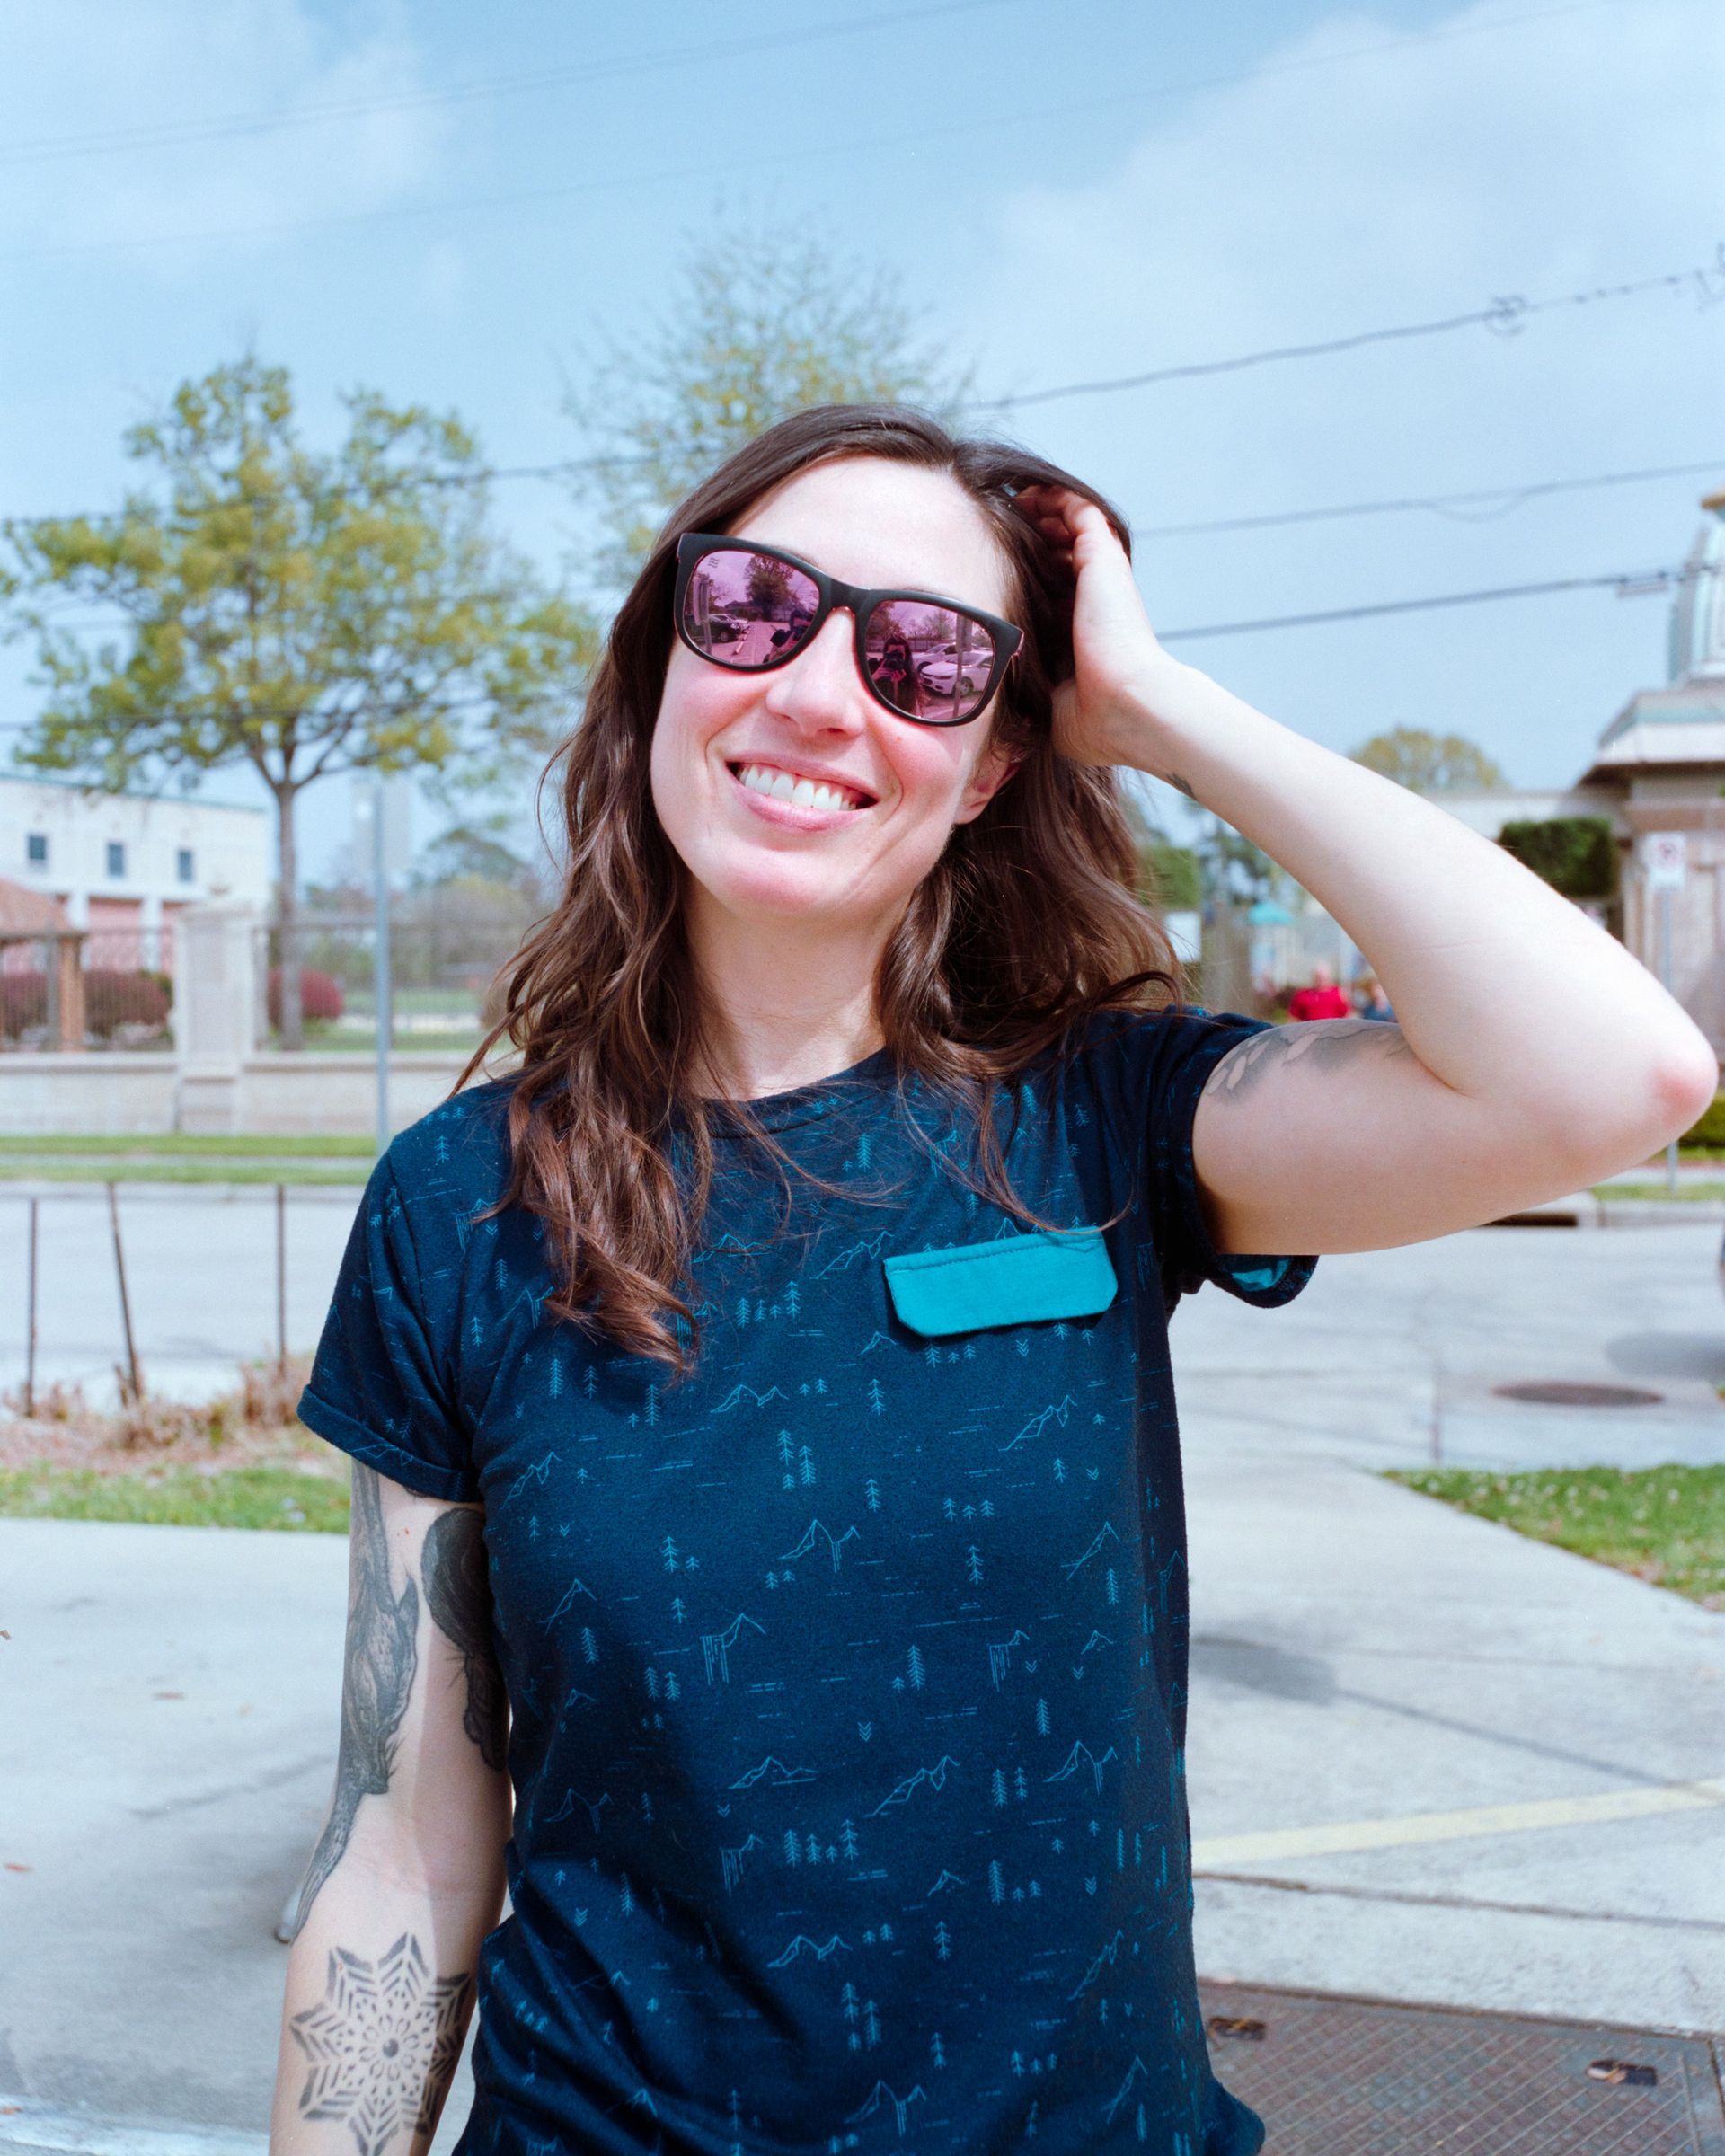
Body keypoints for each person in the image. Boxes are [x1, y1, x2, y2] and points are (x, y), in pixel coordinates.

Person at [270, 405, 1713, 2156]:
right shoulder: (460, 1199)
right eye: (752, 604)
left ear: (1001, 761)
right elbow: (402, 1849)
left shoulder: (1107, 1122)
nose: (815, 689)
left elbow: (1612, 1076)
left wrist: (1159, 711)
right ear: (664, 648)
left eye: (927, 656)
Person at [1286, 962, 1350, 1022]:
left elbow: (1347, 1015)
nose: (1321, 980)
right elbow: (1293, 1018)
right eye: (1318, 977)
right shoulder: (1302, 995)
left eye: (1324, 977)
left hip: (1334, 1033)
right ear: (1313, 977)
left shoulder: (1339, 993)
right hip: (1310, 1033)